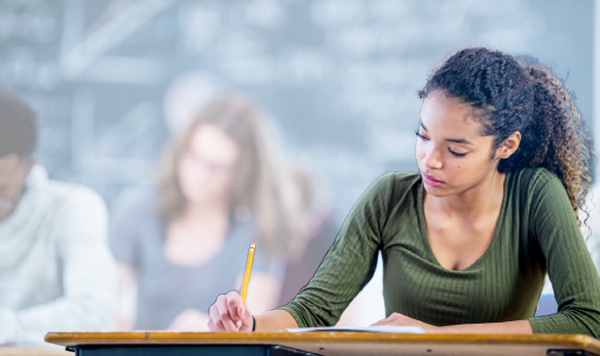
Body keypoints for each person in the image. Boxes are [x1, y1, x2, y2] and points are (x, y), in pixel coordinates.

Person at [206, 47, 600, 337]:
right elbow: (314, 310)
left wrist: (436, 337)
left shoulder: (534, 195)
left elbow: (588, 318)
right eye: (423, 136)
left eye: (456, 149)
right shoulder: (389, 196)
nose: (430, 160)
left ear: (506, 146)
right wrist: (250, 323)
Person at [109, 93, 301, 331]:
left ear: (245, 172)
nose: (200, 175)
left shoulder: (259, 228)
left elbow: (251, 327)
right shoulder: (136, 211)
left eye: (218, 168)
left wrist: (205, 330)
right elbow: (105, 302)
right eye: (192, 157)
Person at [0, 90, 117, 344]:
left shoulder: (72, 209)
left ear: (29, 167)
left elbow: (97, 315)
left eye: (2, 192)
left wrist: (9, 328)